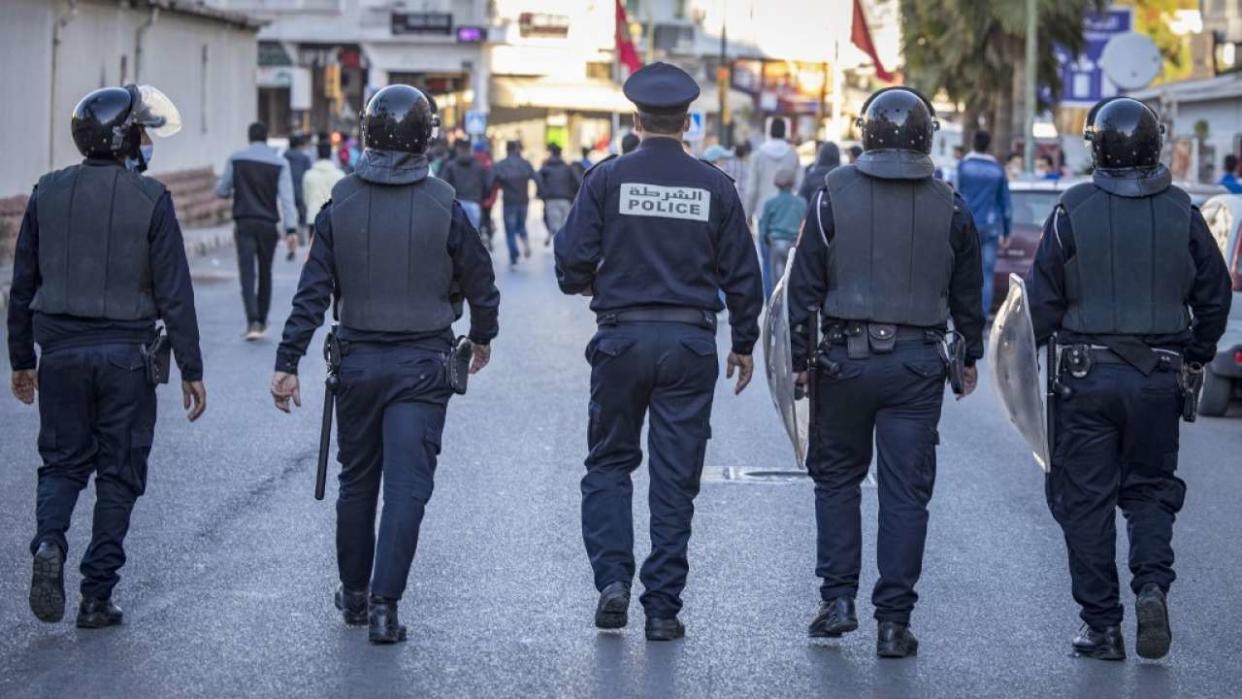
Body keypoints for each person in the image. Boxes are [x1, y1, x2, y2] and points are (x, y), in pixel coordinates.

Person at [270, 85, 500, 645]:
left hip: (355, 364)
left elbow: (312, 292)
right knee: (406, 488)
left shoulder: (340, 203)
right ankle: (383, 607)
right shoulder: (446, 202)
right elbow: (481, 282)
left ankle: (352, 594)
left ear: (367, 135)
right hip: (424, 365)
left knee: (357, 482)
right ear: (427, 138)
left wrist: (287, 361)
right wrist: (483, 337)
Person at [554, 62, 764, 642]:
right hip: (690, 344)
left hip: (620, 339)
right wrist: (743, 343)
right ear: (688, 122)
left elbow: (570, 262)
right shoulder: (715, 186)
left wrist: (595, 284)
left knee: (609, 463)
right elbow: (745, 277)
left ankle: (612, 582)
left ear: (636, 118)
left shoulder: (605, 179)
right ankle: (664, 608)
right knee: (675, 479)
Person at [1023, 97, 1231, 661]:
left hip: (1083, 380)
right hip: (1159, 378)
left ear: (1096, 146)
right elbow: (1214, 295)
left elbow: (1039, 306)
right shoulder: (1183, 212)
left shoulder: (1070, 209)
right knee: (1150, 492)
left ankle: (1102, 626)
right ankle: (1152, 586)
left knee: (1085, 502)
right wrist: (1195, 353)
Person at [787, 87, 984, 658]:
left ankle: (838, 601)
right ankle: (894, 622)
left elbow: (804, 287)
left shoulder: (830, 194)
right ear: (926, 135)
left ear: (866, 133)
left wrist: (800, 363)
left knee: (837, 481)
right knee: (905, 495)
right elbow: (968, 293)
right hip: (918, 366)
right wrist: (967, 357)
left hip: (843, 362)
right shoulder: (950, 204)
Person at [8, 84, 207, 629]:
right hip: (128, 359)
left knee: (62, 464)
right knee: (118, 476)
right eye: (141, 132)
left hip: (62, 358)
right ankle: (97, 596)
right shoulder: (152, 199)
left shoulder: (45, 192)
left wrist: (21, 360)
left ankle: (49, 542)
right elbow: (175, 292)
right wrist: (192, 369)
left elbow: (22, 284)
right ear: (126, 138)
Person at [215, 121, 298, 341]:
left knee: (247, 273)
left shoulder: (236, 159)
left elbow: (222, 190)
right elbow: (287, 199)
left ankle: (252, 321)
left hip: (244, 222)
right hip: (268, 225)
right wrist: (291, 229)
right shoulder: (280, 163)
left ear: (249, 137)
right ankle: (262, 320)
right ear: (267, 137)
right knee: (265, 272)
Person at [956, 130, 1013, 315]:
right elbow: (1005, 203)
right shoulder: (997, 169)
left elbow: (955, 197)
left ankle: (965, 316)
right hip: (991, 226)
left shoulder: (963, 166)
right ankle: (981, 316)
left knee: (963, 272)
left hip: (966, 225)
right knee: (986, 275)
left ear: (973, 143)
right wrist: (1007, 231)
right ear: (988, 145)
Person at [746, 118, 802, 298]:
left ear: (769, 131)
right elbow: (800, 184)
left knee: (768, 265)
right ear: (785, 131)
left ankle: (770, 304)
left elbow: (751, 189)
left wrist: (747, 215)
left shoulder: (757, 155)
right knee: (790, 267)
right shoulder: (792, 154)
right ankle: (786, 302)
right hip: (788, 217)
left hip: (764, 215)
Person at [493, 140, 540, 268]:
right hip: (524, 200)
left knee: (510, 230)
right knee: (521, 225)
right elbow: (537, 179)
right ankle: (525, 243)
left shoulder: (501, 165)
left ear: (506, 150)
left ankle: (514, 255)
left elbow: (489, 181)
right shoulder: (525, 164)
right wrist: (540, 193)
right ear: (517, 149)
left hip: (509, 201)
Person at [759, 166, 807, 286]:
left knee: (776, 281)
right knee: (794, 281)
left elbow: (763, 227)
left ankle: (776, 304)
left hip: (776, 243)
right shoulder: (802, 202)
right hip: (795, 244)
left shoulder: (770, 203)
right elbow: (805, 225)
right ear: (793, 183)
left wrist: (764, 242)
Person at [439, 139, 493, 235]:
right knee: (474, 236)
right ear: (470, 149)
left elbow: (443, 185)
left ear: (458, 149)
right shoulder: (479, 166)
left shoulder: (450, 166)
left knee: (457, 236)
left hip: (456, 205)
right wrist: (482, 198)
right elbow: (487, 185)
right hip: (475, 203)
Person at [302, 133, 345, 233]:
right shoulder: (340, 175)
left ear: (317, 154)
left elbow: (306, 199)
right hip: (334, 218)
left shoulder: (308, 175)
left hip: (313, 217)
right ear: (331, 154)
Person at [538, 143, 580, 246]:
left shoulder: (545, 168)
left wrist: (543, 194)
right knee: (566, 226)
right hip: (566, 199)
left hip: (551, 199)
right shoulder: (568, 167)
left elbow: (539, 181)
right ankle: (564, 249)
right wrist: (574, 194)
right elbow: (578, 181)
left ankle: (560, 249)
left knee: (556, 227)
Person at [283, 132, 313, 261]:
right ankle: (301, 239)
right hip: (301, 190)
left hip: (288, 191)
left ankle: (291, 242)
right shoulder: (304, 157)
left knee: (289, 217)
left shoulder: (284, 156)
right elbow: (308, 175)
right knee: (302, 217)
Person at [474, 141, 500, 251]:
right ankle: (489, 236)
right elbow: (495, 182)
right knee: (487, 217)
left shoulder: (474, 161)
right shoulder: (490, 162)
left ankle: (479, 239)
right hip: (489, 197)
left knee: (478, 219)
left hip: (476, 196)